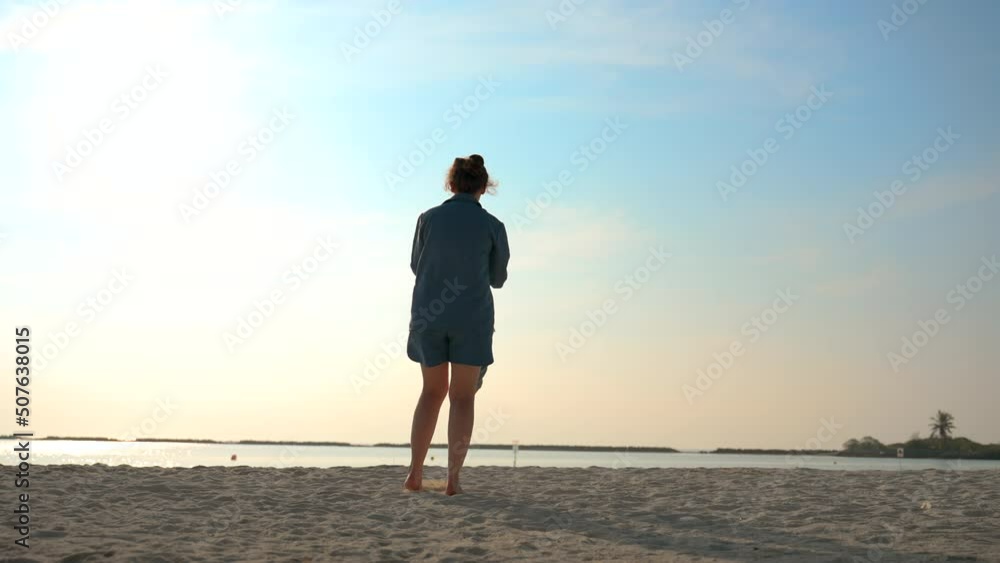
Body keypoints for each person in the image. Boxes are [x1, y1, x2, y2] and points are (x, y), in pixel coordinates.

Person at [403, 154, 510, 495]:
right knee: (462, 398)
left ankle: (415, 474)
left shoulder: (427, 219)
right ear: (484, 187)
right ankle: (453, 480)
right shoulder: (493, 226)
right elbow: (498, 278)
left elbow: (417, 265)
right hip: (471, 317)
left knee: (431, 393)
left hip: (429, 314)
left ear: (450, 184)